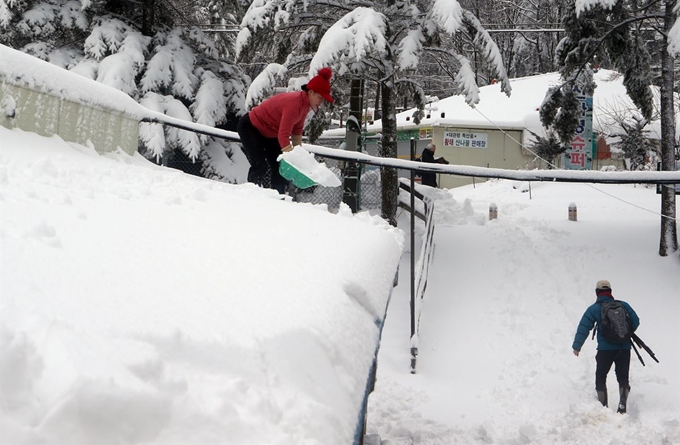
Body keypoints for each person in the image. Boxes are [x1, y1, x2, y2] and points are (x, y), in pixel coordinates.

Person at [237, 68, 334, 193]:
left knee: (280, 168)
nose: (321, 101)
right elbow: (283, 135)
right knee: (260, 165)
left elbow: (297, 130)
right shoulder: (294, 103)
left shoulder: (306, 105)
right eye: (320, 97)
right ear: (310, 92)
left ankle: (279, 198)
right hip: (251, 127)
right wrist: (293, 158)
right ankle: (252, 195)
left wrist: (299, 154)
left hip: (270, 133)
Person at [572, 279, 640, 413]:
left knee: (601, 376)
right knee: (622, 377)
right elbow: (636, 321)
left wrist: (577, 346)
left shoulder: (594, 309)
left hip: (605, 350)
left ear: (597, 293)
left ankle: (603, 406)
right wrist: (624, 333)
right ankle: (622, 403)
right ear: (610, 292)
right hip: (624, 347)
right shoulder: (623, 305)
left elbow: (584, 328)